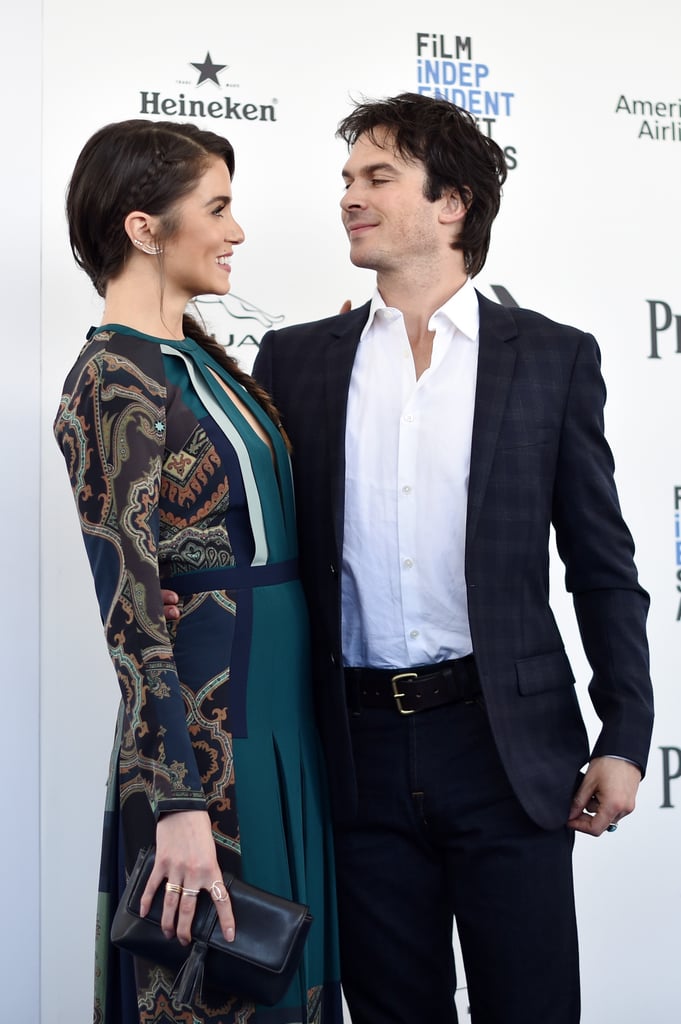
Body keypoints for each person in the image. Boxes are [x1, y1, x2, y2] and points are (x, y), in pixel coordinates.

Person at [244, 93, 654, 1023]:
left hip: (505, 747)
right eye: (346, 180)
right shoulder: (295, 360)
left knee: (532, 1007)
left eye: (376, 177)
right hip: (351, 751)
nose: (349, 196)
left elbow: (601, 564)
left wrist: (625, 735)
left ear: (452, 203)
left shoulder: (550, 358)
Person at [54, 119, 341, 1024]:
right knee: (227, 988)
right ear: (145, 229)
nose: (237, 231)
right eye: (216, 208)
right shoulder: (112, 378)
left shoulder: (204, 362)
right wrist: (174, 802)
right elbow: (131, 613)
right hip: (210, 741)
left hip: (289, 722)